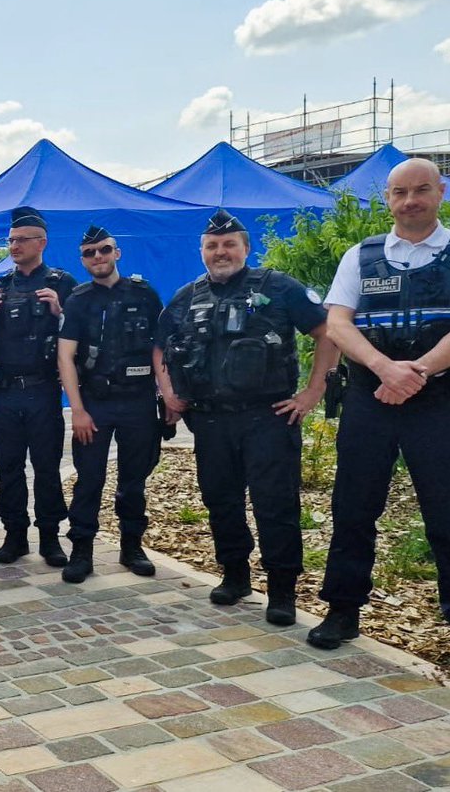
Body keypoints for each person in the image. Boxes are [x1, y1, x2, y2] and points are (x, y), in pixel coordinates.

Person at [158, 209, 338, 626]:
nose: (220, 252)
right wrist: (168, 392)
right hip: (211, 421)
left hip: (268, 417)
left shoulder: (279, 287)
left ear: (245, 248)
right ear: (202, 251)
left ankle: (282, 590)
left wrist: (313, 392)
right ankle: (235, 575)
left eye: (229, 244)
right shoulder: (187, 296)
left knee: (275, 505)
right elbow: (160, 344)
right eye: (212, 246)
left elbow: (328, 332)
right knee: (220, 500)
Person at [309, 158, 450, 648]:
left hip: (440, 399)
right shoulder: (361, 256)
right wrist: (385, 369)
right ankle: (342, 611)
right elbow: (338, 323)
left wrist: (418, 371)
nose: (410, 201)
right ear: (388, 199)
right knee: (353, 506)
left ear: (440, 192)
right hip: (371, 396)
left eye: (421, 190)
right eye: (399, 192)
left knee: (447, 510)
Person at [58, 225, 162, 583]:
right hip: (96, 402)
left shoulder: (145, 294)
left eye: (104, 249)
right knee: (89, 479)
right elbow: (65, 356)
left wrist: (167, 396)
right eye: (89, 253)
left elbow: (161, 349)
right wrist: (78, 410)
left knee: (134, 480)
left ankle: (132, 547)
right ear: (83, 260)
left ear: (117, 252)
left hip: (138, 401)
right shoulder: (78, 300)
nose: (98, 257)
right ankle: (81, 551)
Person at [0, 206, 78, 567]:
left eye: (21, 240)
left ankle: (49, 537)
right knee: (8, 466)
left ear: (42, 242)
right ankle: (15, 535)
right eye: (11, 240)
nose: (14, 246)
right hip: (4, 390)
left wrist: (59, 313)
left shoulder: (61, 283)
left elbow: (78, 336)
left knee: (46, 466)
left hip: (42, 389)